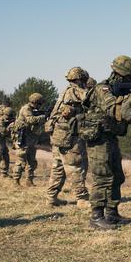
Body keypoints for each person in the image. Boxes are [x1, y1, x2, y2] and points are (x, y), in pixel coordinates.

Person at [81, 56, 131, 229]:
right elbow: (112, 107)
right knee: (102, 177)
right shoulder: (103, 88)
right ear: (119, 74)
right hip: (98, 138)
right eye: (128, 78)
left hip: (110, 137)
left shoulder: (116, 90)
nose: (130, 81)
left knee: (117, 176)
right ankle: (96, 216)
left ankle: (112, 213)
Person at [45, 67, 90, 207]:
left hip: (58, 136)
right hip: (69, 138)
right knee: (76, 166)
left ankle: (51, 197)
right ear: (80, 79)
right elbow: (91, 101)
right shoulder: (77, 92)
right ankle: (81, 199)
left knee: (58, 167)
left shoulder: (64, 92)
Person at [12, 93, 47, 186]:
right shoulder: (26, 109)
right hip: (23, 138)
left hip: (31, 139)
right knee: (21, 161)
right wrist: (44, 117)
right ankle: (16, 181)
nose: (40, 106)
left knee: (32, 162)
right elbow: (30, 120)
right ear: (35, 102)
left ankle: (29, 181)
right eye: (40, 104)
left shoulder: (33, 109)